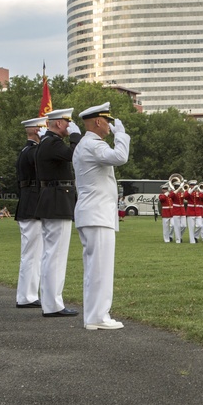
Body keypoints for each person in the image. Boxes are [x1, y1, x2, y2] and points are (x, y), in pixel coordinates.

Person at [73, 102, 131, 330]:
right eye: (107, 121)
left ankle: (93, 316)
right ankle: (99, 316)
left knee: (94, 269)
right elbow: (120, 157)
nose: (110, 126)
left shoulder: (86, 144)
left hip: (92, 213)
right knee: (100, 269)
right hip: (97, 214)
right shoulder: (93, 145)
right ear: (98, 122)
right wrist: (122, 136)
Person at [34, 108, 83, 317]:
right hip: (56, 199)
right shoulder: (53, 143)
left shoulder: (47, 143)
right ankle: (53, 304)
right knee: (56, 255)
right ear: (59, 124)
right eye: (67, 122)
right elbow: (75, 155)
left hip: (53, 198)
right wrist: (76, 137)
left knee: (51, 254)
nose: (69, 125)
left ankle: (50, 302)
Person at [13, 116, 46, 309]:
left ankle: (29, 294)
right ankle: (27, 295)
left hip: (31, 204)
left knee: (34, 253)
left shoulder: (29, 150)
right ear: (36, 131)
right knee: (31, 253)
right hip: (32, 204)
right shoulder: (32, 151)